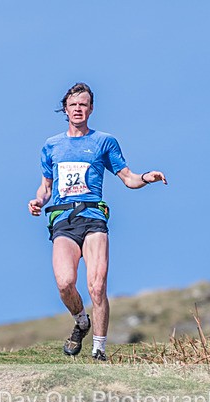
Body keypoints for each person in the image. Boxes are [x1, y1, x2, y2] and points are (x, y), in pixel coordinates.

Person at [28, 82, 166, 361]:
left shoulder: (104, 141)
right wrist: (38, 201)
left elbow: (128, 178)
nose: (78, 109)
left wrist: (146, 177)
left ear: (91, 109)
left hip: (93, 217)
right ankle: (81, 320)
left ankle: (99, 350)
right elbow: (46, 185)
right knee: (65, 283)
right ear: (65, 110)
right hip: (63, 219)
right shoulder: (51, 145)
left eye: (83, 104)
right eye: (73, 105)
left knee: (97, 284)